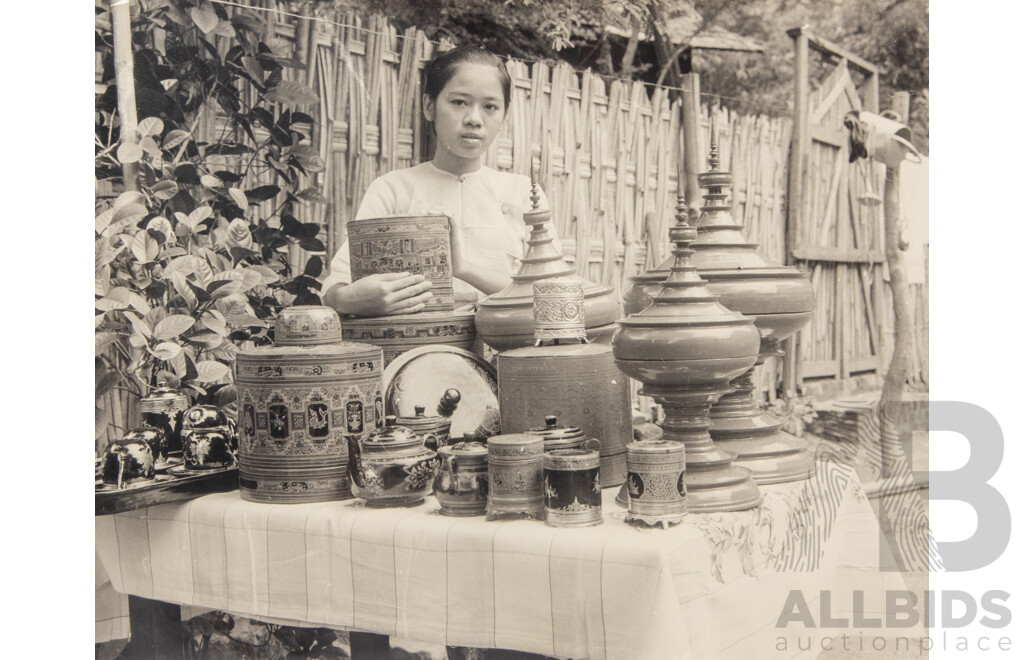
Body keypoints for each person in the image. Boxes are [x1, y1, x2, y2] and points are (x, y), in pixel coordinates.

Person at [321, 46, 559, 317]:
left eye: (490, 107)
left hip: (508, 349)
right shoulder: (393, 189)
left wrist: (463, 268)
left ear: (503, 116)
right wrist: (350, 298)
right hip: (418, 353)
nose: (474, 120)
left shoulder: (524, 194)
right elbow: (336, 285)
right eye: (459, 102)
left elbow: (551, 292)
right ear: (429, 106)